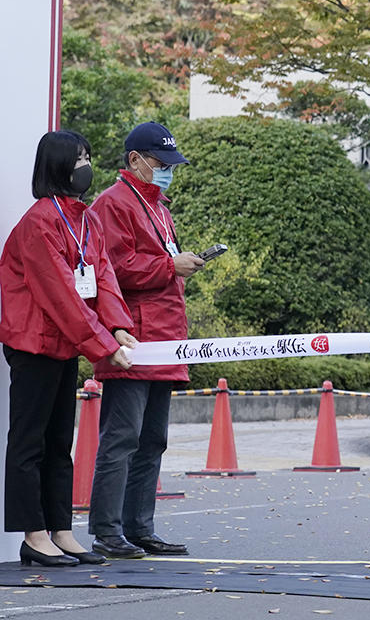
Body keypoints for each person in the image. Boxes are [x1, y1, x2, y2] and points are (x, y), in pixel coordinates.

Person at [0, 130, 135, 567]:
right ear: (57, 165)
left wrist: (117, 327)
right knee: (29, 442)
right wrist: (101, 344)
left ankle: (61, 530)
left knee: (60, 442)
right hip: (32, 343)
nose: (86, 166)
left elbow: (105, 278)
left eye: (88, 156)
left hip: (64, 344)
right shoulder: (40, 221)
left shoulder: (86, 219)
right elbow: (60, 294)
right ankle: (33, 535)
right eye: (78, 158)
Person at [87, 123, 203, 559]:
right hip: (132, 338)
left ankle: (139, 527)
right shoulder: (112, 204)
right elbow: (112, 269)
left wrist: (176, 266)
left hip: (164, 335)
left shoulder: (157, 205)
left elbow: (149, 261)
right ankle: (107, 530)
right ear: (134, 160)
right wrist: (171, 267)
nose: (167, 171)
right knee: (121, 438)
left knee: (152, 439)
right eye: (161, 163)